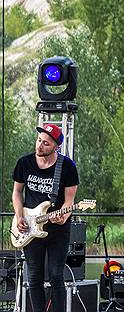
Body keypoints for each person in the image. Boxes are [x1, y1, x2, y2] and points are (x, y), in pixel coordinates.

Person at [12, 123, 79, 312]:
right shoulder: (24, 163)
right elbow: (17, 192)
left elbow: (69, 201)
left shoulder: (67, 167)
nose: (39, 146)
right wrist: (19, 216)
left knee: (56, 275)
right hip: (29, 227)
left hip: (58, 229)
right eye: (39, 140)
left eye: (46, 144)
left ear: (56, 147)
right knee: (34, 277)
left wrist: (64, 216)